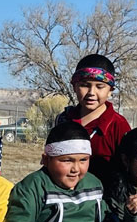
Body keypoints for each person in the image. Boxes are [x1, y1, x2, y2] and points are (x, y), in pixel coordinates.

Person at [56, 54, 131, 186]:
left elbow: (129, 170)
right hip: (64, 199)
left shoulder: (118, 125)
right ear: (74, 86)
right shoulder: (64, 120)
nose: (91, 92)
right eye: (85, 85)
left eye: (99, 87)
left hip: (104, 201)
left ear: (110, 91)